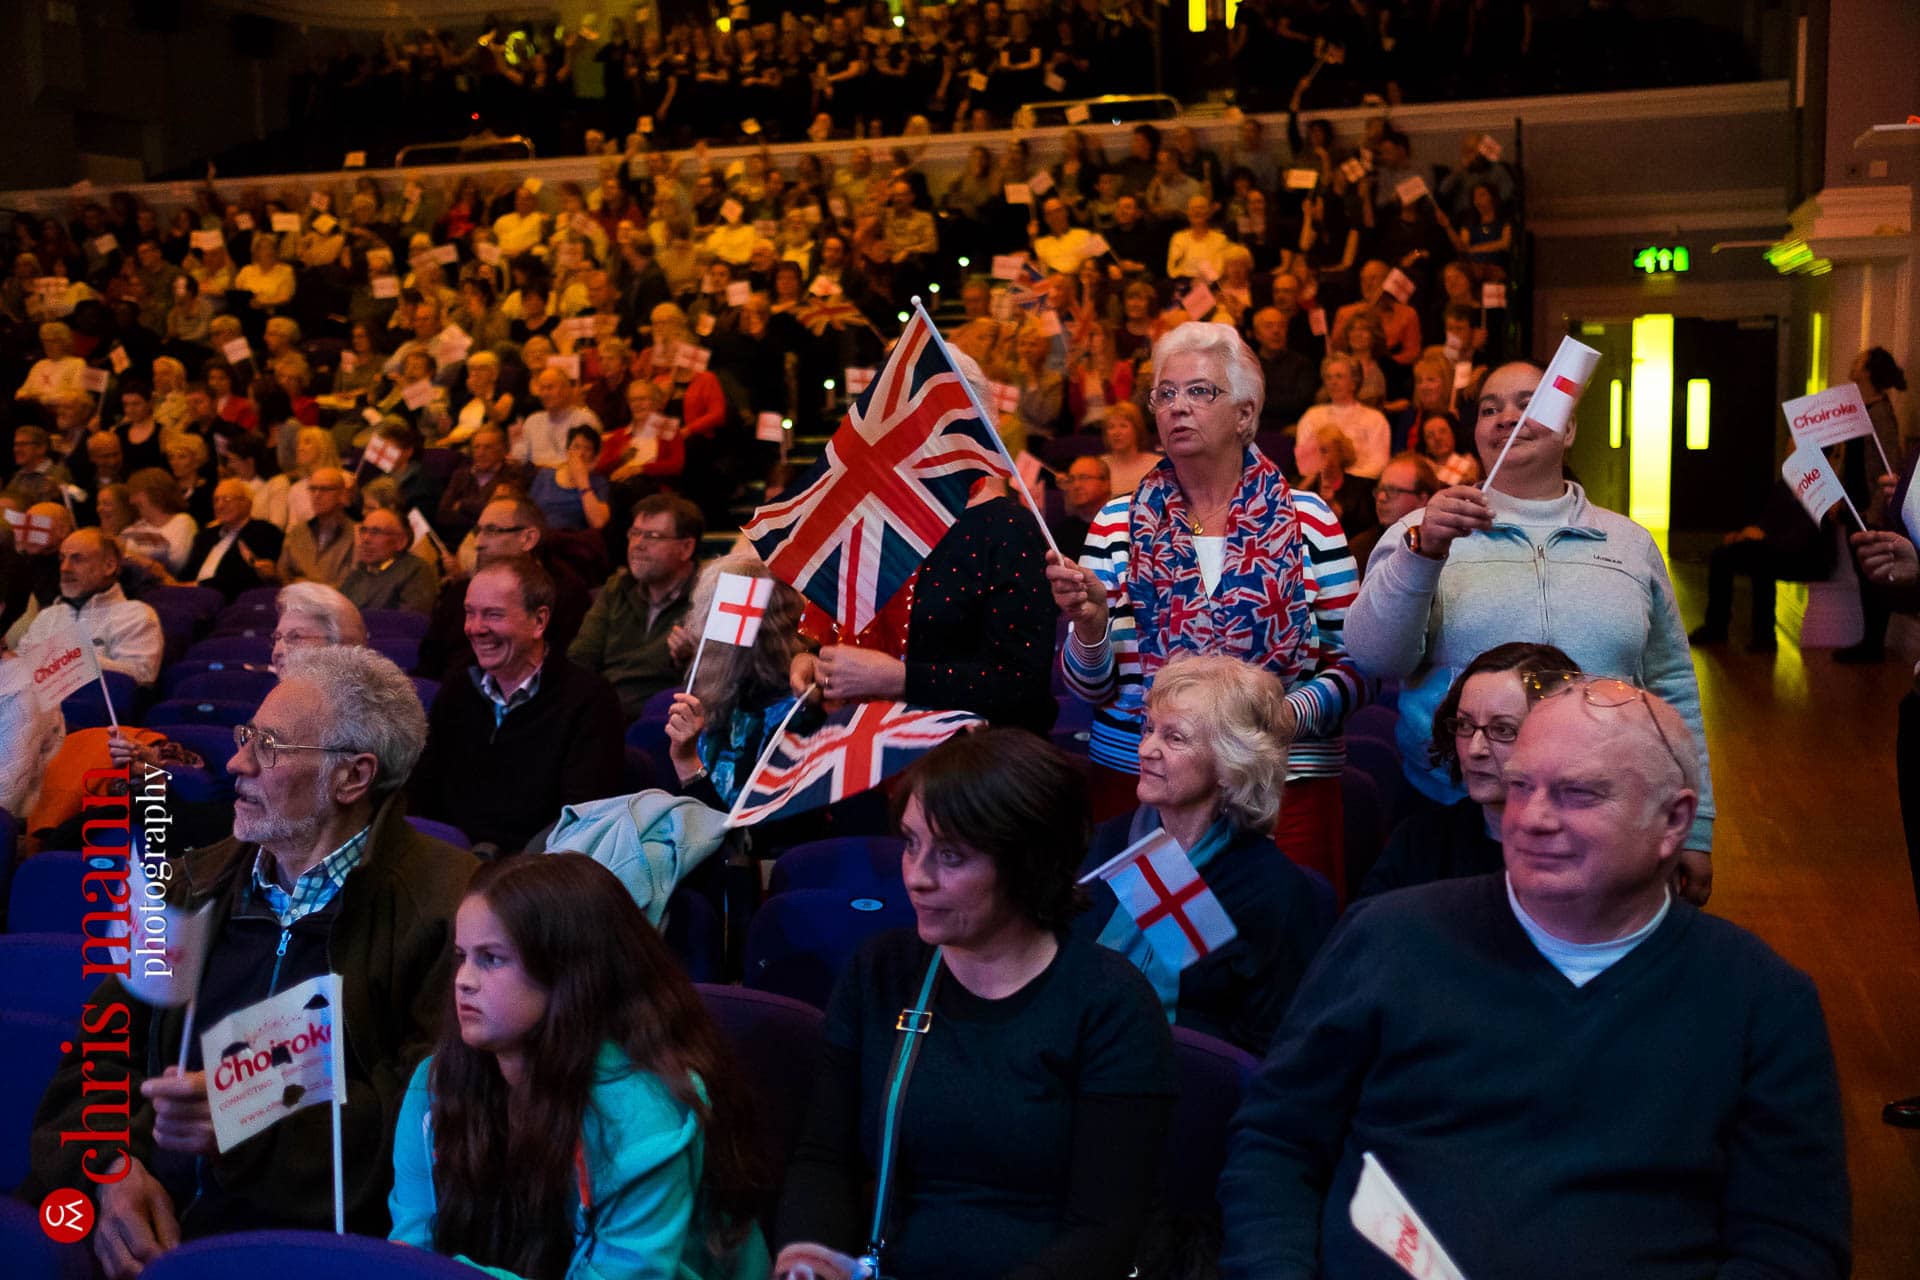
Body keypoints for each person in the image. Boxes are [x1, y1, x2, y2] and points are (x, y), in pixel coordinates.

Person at [1217, 682, 1849, 1279]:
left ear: (1673, 823)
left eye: (1578, 793)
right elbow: (1276, 1145)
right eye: (1521, 787)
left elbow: (1789, 1244)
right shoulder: (1387, 940)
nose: (1532, 819)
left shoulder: (1761, 1002)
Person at [25, 647, 477, 1274]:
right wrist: (111, 1168)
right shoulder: (191, 885)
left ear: (353, 777)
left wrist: (246, 1121)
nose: (237, 763)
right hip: (162, 1221)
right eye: (245, 738)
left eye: (269, 745)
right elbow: (103, 1052)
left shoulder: (454, 911)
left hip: (324, 1249)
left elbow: (434, 1118)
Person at [774, 729, 1176, 1280]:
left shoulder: (1111, 1004)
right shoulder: (881, 972)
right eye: (911, 844)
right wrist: (808, 1256)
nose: (917, 877)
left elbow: (1102, 1233)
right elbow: (824, 1159)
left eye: (950, 857)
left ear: (1026, 864)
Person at [1346, 358, 1717, 904]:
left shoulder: (1628, 544)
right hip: (1454, 812)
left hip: (1600, 809)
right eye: (1490, 409)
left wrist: (1698, 820)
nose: (1507, 418)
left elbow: (1671, 686)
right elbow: (1375, 658)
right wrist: (1422, 556)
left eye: (1527, 403)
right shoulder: (1421, 531)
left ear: (1567, 429)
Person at [1050, 321, 1367, 892]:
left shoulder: (1311, 519)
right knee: (1147, 962)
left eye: (1200, 392)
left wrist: (1276, 721)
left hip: (1281, 783)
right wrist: (1091, 630)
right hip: (1142, 785)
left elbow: (1356, 666)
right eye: (1165, 394)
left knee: (1283, 955)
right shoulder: (1114, 523)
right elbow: (1089, 689)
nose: (1177, 408)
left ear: (1245, 415)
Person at [390, 853, 768, 1279]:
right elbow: (410, 1254)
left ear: (569, 972)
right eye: (462, 956)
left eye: (491, 959)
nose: (463, 979)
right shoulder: (434, 1085)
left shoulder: (645, 1113)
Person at [1076, 654, 1325, 1052]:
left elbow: (1276, 1044)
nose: (1146, 749)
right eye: (1150, 728)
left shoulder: (1270, 889)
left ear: (1231, 763)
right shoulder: (1100, 845)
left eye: (1175, 738)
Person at [412, 554, 625, 855]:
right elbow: (423, 794)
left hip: (534, 874)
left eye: (493, 615)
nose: (475, 628)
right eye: (470, 613)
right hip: (449, 862)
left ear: (539, 621)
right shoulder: (458, 689)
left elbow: (580, 821)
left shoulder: (589, 700)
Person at [1358, 643, 1577, 897]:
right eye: (1464, 725)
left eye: (1502, 730)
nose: (1475, 749)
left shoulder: (1591, 850)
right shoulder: (1420, 842)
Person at [569, 494, 700, 722]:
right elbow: (581, 659)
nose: (638, 544)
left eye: (653, 536)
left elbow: (718, 682)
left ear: (686, 548)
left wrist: (691, 657)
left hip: (664, 720)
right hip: (604, 712)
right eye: (635, 533)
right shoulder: (617, 587)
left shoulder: (708, 596)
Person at [1688, 478, 1837, 653]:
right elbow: (1769, 519)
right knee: (1722, 556)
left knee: (1763, 561)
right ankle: (1715, 627)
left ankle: (1764, 635)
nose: (1790, 450)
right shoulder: (1788, 482)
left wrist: (1765, 539)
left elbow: (1807, 537)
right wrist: (1748, 535)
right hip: (1777, 547)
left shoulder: (1821, 484)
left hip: (1808, 557)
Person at [16, 528, 163, 686]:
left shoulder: (136, 615)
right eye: (62, 559)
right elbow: (18, 667)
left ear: (109, 566)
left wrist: (72, 659)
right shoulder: (48, 616)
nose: (64, 568)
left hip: (97, 708)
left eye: (77, 559)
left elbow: (141, 674)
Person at [179, 478, 284, 600]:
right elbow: (187, 573)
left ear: (247, 503)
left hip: (231, 600)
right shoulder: (205, 536)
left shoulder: (264, 532)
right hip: (191, 595)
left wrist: (197, 586)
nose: (220, 505)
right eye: (216, 500)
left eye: (227, 499)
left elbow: (245, 579)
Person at [1294, 354, 1392, 480]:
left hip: (1360, 487)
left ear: (1354, 383)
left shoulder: (1375, 419)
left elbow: (1379, 464)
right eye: (1329, 377)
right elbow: (1305, 463)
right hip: (1320, 484)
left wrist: (1346, 479)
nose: (1333, 382)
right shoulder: (1311, 416)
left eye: (1339, 376)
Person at [435, 425, 534, 545]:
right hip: (455, 543)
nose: (480, 453)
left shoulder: (513, 476)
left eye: (488, 447)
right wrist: (479, 514)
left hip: (494, 545)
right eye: (477, 447)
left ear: (503, 450)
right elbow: (442, 515)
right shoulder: (460, 475)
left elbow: (499, 518)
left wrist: (462, 505)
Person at [1350, 451, 1439, 575]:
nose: (1381, 498)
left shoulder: (1442, 548)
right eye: (1380, 490)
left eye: (1392, 490)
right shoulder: (1359, 550)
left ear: (1422, 500)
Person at [339, 507, 440, 616]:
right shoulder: (361, 570)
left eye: (376, 532)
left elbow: (410, 623)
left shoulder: (416, 571)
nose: (366, 539)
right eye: (363, 531)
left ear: (401, 541)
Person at [273, 466, 357, 587]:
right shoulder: (297, 532)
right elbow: (283, 575)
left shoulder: (357, 535)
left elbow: (351, 584)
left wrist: (308, 587)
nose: (317, 495)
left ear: (342, 494)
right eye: (313, 489)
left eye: (325, 489)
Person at [529, 423, 614, 532]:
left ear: (594, 456)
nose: (580, 453)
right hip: (540, 535)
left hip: (573, 540)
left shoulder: (599, 482)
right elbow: (529, 511)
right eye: (576, 447)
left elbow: (598, 522)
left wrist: (582, 481)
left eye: (587, 449)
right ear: (568, 451)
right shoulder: (545, 475)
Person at [1297, 423, 1377, 538]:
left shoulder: (1362, 487)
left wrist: (1332, 505)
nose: (1318, 456)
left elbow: (1363, 528)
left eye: (1324, 451)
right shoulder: (1308, 485)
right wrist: (1308, 480)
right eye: (1314, 451)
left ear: (1340, 453)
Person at [1099, 401, 1162, 498]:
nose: (1116, 432)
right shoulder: (1097, 466)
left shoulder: (1157, 465)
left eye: (1123, 426)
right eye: (1111, 427)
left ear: (1137, 429)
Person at [1050, 455, 1111, 557]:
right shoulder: (1061, 533)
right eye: (1072, 479)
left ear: (1105, 483)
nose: (1076, 485)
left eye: (1084, 478)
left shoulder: (1121, 527)